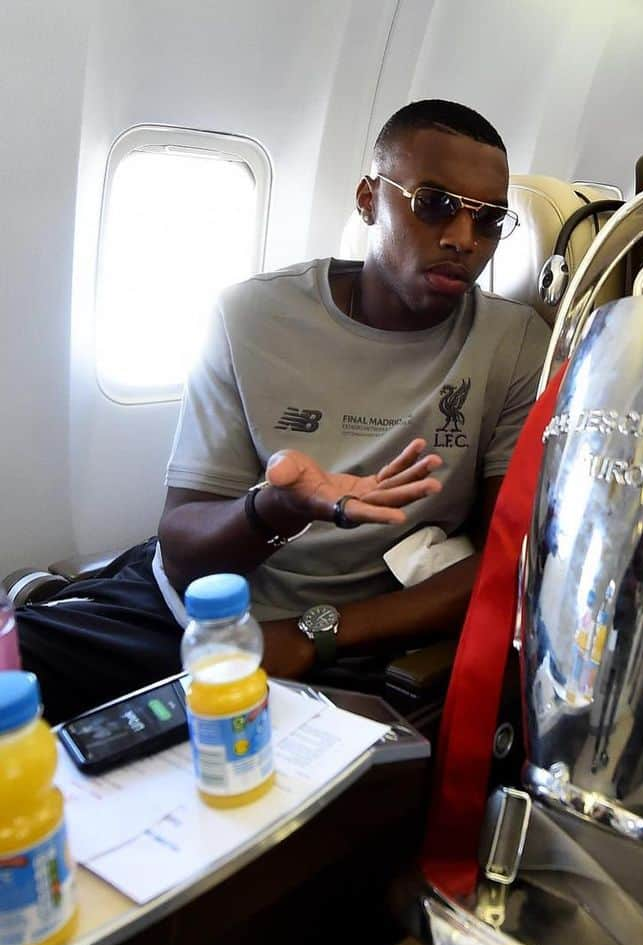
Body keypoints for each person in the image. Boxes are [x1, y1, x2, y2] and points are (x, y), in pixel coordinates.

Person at [17, 99, 551, 721]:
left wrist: (313, 631)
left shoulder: (515, 345)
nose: (463, 238)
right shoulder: (251, 317)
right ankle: (56, 598)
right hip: (191, 612)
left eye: (488, 221)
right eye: (434, 203)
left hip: (359, 638)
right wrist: (278, 508)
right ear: (369, 198)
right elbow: (185, 550)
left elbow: (506, 559)